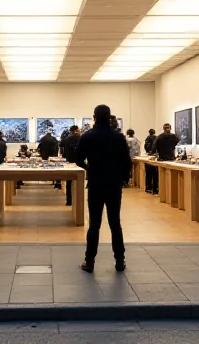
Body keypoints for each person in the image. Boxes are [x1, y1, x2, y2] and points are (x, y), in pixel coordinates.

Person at [76, 105, 132, 273]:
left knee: (94, 223)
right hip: (113, 184)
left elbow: (78, 159)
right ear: (109, 117)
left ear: (94, 117)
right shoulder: (118, 137)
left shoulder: (88, 136)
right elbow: (127, 163)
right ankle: (120, 261)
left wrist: (89, 168)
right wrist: (122, 177)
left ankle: (90, 262)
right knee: (115, 223)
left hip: (95, 183)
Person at [62, 125, 81, 206]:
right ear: (76, 130)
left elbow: (63, 150)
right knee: (79, 182)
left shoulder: (66, 139)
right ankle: (78, 201)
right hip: (78, 162)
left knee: (69, 182)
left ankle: (69, 201)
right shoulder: (80, 138)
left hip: (69, 162)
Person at [144, 128, 157, 193]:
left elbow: (146, 146)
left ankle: (148, 187)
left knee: (148, 174)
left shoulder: (148, 138)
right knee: (155, 174)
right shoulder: (157, 137)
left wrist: (148, 151)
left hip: (149, 155)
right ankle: (155, 188)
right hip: (155, 156)